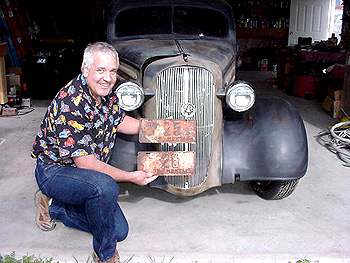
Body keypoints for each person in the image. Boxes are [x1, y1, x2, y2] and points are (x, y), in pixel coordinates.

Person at [31, 42, 158, 263]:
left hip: (84, 176)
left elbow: (119, 121)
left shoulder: (106, 94)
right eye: (101, 70)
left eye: (112, 71)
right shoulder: (71, 102)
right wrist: (130, 177)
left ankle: (54, 207)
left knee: (119, 231)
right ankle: (105, 255)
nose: (107, 77)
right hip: (55, 172)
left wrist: (159, 129)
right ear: (86, 70)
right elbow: (87, 164)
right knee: (104, 186)